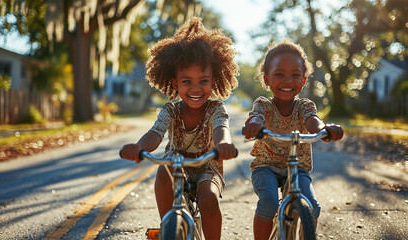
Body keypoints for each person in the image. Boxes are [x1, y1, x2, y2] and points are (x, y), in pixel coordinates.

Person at [119, 17, 239, 239]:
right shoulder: (171, 111)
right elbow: (155, 133)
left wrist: (223, 144)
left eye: (203, 81)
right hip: (175, 164)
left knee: (208, 199)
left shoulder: (215, 109)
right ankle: (168, 228)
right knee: (163, 170)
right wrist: (138, 147)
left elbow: (222, 128)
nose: (196, 88)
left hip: (207, 166)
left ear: (214, 82)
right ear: (175, 83)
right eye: (187, 81)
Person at [242, 38, 344, 239]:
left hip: (297, 167)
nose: (288, 81)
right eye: (279, 74)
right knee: (269, 202)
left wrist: (325, 130)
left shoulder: (305, 105)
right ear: (266, 79)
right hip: (266, 166)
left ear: (303, 80)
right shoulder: (264, 105)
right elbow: (256, 116)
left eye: (295, 75)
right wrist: (255, 124)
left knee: (312, 206)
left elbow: (313, 120)